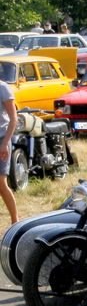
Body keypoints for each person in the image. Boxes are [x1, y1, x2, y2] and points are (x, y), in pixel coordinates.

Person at [0, 79, 18, 223]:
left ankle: (15, 221)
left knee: (1, 182)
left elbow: (13, 119)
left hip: (2, 139)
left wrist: (5, 143)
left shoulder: (2, 87)